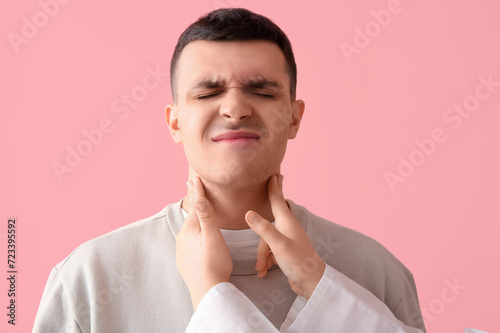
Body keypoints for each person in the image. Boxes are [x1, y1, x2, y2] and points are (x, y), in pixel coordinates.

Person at [33, 8, 426, 332]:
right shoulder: (88, 279)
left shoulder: (376, 272)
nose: (235, 109)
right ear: (174, 123)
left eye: (263, 91)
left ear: (294, 117)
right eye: (207, 93)